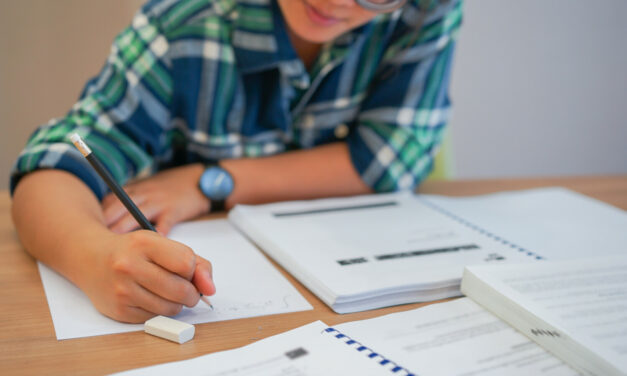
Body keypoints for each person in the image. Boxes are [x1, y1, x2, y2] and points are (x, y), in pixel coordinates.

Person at [10, 0, 462, 323]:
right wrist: (93, 257)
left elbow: (390, 159)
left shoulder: (423, 10)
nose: (339, 2)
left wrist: (210, 182)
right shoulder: (184, 19)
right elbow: (54, 166)